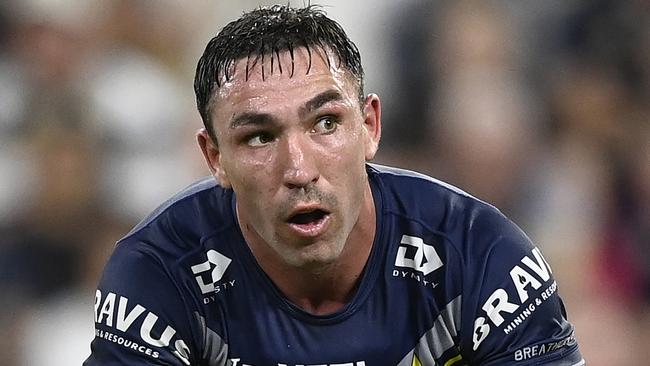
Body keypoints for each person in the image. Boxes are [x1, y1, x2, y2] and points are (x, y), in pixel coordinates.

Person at [84, 5, 584, 366]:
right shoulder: (158, 273)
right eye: (259, 136)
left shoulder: (481, 256)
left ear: (369, 127)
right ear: (215, 157)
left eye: (325, 123)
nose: (298, 169)